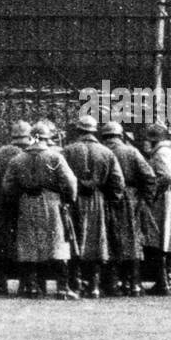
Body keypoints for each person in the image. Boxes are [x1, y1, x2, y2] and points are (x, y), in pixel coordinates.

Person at [3, 120, 78, 299]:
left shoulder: (17, 159)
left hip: (26, 202)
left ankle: (32, 287)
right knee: (58, 243)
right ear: (47, 138)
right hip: (51, 202)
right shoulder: (55, 157)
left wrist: (19, 197)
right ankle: (62, 288)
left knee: (29, 244)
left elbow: (7, 186)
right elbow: (70, 182)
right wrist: (68, 199)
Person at [62, 114, 124, 298]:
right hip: (98, 200)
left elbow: (60, 178)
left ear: (79, 130)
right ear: (94, 131)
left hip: (73, 200)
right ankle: (94, 286)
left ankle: (75, 284)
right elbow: (117, 182)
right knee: (97, 241)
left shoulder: (68, 151)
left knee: (74, 240)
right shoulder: (106, 152)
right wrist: (113, 199)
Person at [99, 121, 156, 296]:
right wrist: (147, 199)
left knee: (109, 240)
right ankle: (134, 284)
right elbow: (149, 177)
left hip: (105, 199)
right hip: (130, 199)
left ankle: (112, 284)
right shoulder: (131, 152)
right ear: (121, 135)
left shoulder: (101, 151)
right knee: (132, 240)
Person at [0, 120, 33, 296]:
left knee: (2, 243)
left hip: (2, 205)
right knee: (24, 241)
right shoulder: (29, 157)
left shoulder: (0, 156)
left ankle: (2, 281)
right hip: (23, 205)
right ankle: (26, 283)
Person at [144, 123, 171, 295]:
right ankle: (166, 280)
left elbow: (166, 176)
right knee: (168, 239)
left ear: (154, 139)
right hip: (170, 198)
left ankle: (163, 282)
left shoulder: (160, 154)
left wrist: (153, 194)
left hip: (163, 200)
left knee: (160, 239)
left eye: (148, 139)